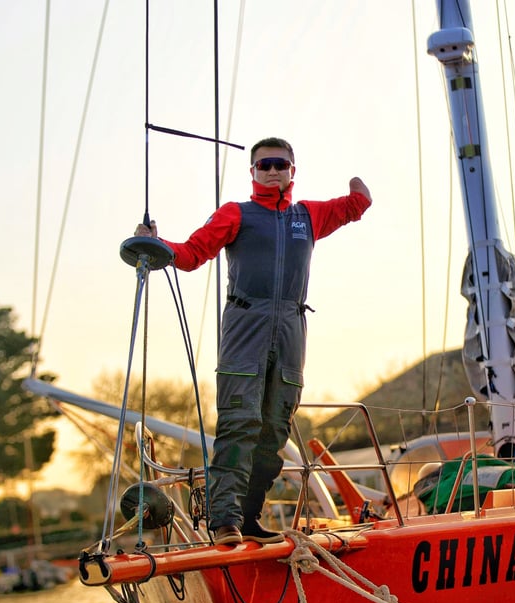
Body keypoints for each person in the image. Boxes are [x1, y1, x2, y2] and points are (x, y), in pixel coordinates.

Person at [135, 136, 372, 545]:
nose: (273, 170)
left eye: (281, 164)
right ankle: (223, 518)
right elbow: (193, 253)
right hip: (246, 325)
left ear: (292, 170)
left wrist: (359, 192)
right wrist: (156, 246)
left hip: (291, 328)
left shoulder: (308, 216)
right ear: (253, 173)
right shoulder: (236, 214)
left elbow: (354, 207)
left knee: (274, 430)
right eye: (265, 165)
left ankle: (247, 517)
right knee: (240, 423)